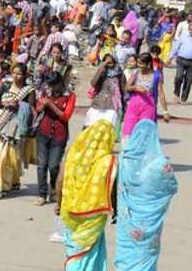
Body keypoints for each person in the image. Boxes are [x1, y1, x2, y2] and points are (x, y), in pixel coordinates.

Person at [114, 120, 178, 271]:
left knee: (127, 258)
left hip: (127, 222)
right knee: (145, 261)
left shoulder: (124, 159)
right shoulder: (161, 165)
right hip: (149, 223)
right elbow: (172, 187)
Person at [57, 120, 117, 271]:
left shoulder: (73, 152)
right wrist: (115, 209)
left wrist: (58, 204)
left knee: (74, 248)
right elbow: (112, 188)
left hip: (69, 209)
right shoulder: (108, 162)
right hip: (93, 215)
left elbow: (60, 180)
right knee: (88, 251)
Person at [0, 63, 35, 199]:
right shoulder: (6, 85)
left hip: (15, 126)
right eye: (14, 73)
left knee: (10, 156)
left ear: (24, 75)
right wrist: (4, 104)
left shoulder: (29, 90)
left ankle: (6, 182)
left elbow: (32, 109)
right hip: (1, 122)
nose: (16, 76)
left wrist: (19, 105)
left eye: (19, 74)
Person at [34, 71, 76, 206]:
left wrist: (50, 105)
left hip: (59, 135)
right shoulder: (46, 92)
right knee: (41, 165)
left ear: (60, 83)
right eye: (50, 85)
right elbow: (38, 109)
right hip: (43, 132)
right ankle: (42, 194)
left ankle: (53, 188)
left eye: (54, 85)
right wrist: (41, 105)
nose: (52, 88)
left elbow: (66, 116)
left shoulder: (70, 96)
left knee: (53, 166)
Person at [122, 52, 169, 139]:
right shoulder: (135, 72)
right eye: (138, 62)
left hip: (148, 105)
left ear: (148, 64)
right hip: (134, 104)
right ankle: (129, 151)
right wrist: (136, 87)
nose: (138, 65)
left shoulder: (156, 75)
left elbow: (161, 94)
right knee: (128, 130)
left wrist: (165, 111)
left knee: (144, 131)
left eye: (141, 63)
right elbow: (127, 87)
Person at [85, 54, 125, 129]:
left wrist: (124, 106)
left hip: (113, 104)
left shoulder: (120, 74)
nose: (108, 65)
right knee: (93, 127)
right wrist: (100, 69)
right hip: (99, 102)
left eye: (110, 63)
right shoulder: (102, 73)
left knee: (107, 128)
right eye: (106, 63)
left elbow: (123, 90)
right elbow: (93, 83)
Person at [169, 20, 192, 103]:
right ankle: (176, 93)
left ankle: (184, 97)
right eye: (190, 29)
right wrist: (170, 57)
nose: (191, 31)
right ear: (188, 29)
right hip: (181, 60)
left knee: (189, 80)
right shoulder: (183, 36)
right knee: (179, 77)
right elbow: (176, 47)